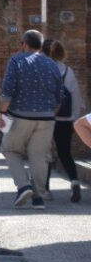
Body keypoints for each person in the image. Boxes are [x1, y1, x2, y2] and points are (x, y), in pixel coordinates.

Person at [0, 29, 64, 209]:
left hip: (21, 115)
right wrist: (50, 112)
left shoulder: (17, 60)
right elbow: (60, 95)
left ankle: (23, 187)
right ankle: (38, 198)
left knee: (10, 149)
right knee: (39, 157)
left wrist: (2, 113)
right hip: (47, 117)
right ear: (41, 46)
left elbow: (8, 89)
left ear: (24, 44)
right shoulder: (52, 64)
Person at [42, 39, 84, 203]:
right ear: (61, 52)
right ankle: (74, 184)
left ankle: (44, 189)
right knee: (65, 153)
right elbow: (75, 96)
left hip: (45, 118)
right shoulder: (68, 71)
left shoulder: (41, 70)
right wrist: (73, 118)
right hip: (65, 119)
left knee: (45, 153)